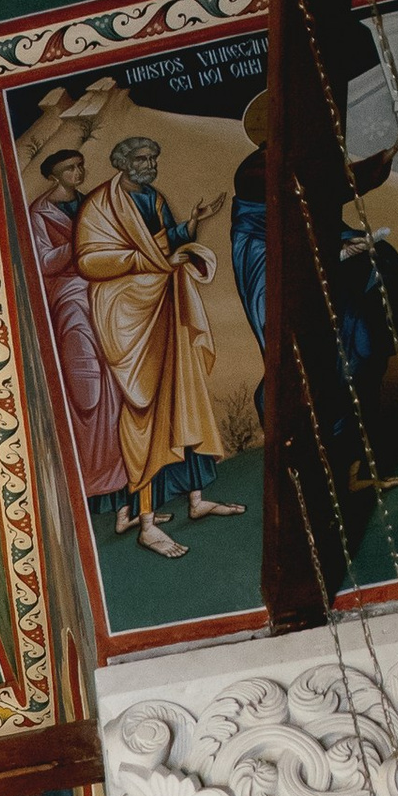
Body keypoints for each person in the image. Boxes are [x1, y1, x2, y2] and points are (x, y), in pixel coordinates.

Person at [76, 133, 244, 558]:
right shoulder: (101, 205)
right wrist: (150, 264)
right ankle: (147, 524)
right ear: (121, 161)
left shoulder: (154, 197)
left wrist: (191, 225)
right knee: (146, 415)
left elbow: (163, 242)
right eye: (141, 157)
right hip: (130, 315)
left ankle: (196, 499)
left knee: (186, 399)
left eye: (153, 156)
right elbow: (90, 261)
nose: (149, 163)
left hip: (165, 306)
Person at [29, 141, 130, 506]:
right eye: (71, 168)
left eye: (80, 166)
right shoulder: (39, 213)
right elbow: (44, 262)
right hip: (69, 298)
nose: (78, 173)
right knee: (84, 384)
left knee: (116, 377)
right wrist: (80, 244)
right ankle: (92, 474)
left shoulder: (91, 203)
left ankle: (121, 473)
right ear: (55, 174)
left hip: (101, 293)